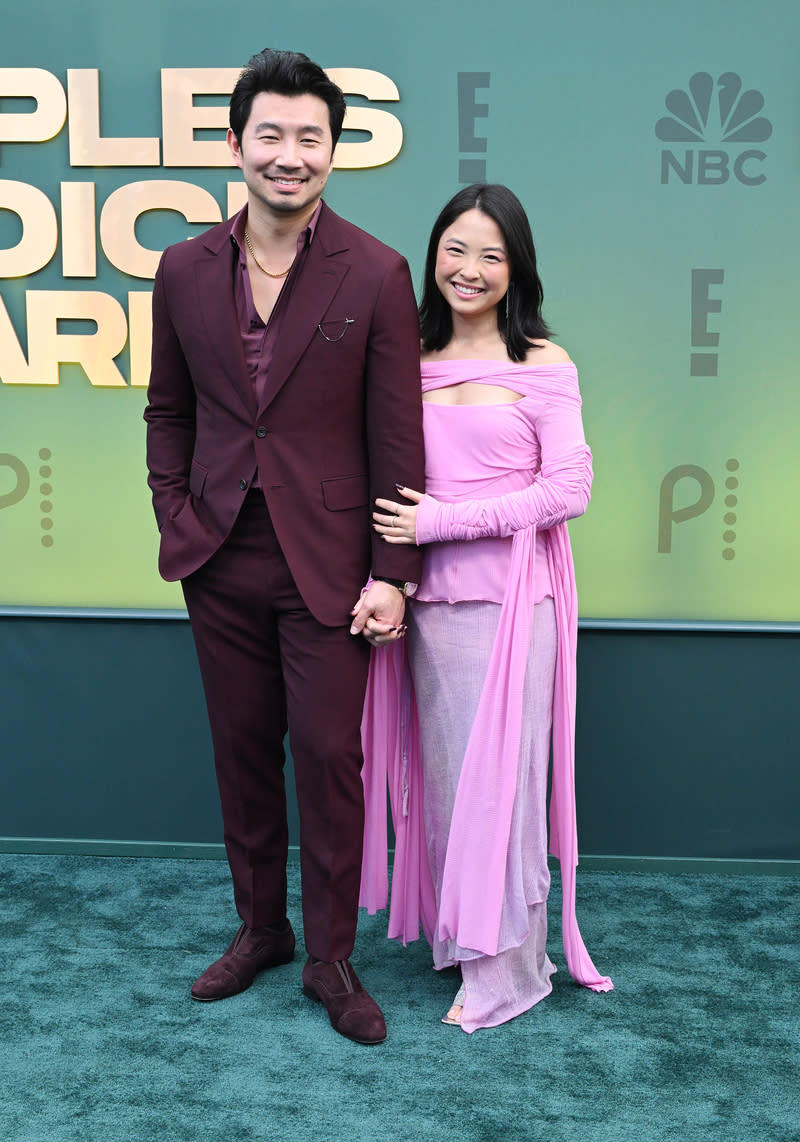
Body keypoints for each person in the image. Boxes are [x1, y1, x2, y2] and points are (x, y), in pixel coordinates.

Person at [144, 48, 424, 1046]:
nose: (289, 154)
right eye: (271, 133)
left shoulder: (378, 271)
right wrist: (176, 517)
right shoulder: (181, 269)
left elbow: (398, 435)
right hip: (217, 553)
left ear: (333, 151)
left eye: (311, 137)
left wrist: (395, 573)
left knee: (326, 758)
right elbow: (166, 411)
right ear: (234, 143)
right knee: (239, 751)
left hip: (332, 562)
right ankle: (262, 927)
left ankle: (330, 955)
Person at [358, 184, 612, 1032]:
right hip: (427, 607)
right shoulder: (407, 358)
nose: (470, 269)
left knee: (502, 787)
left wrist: (444, 521)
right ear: (433, 256)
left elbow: (570, 487)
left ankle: (511, 971)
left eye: (492, 254)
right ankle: (467, 943)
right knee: (444, 784)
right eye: (456, 250)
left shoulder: (543, 361)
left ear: (518, 269)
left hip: (514, 608)